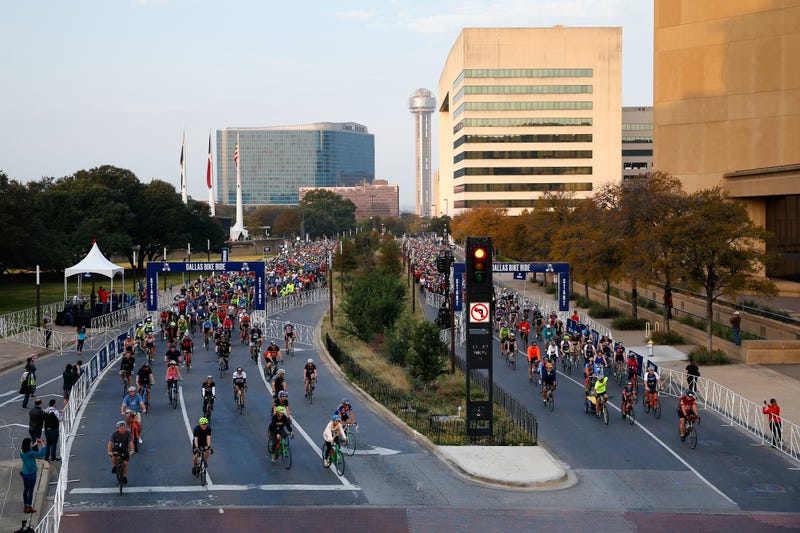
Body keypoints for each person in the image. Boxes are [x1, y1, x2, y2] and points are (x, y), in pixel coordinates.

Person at [19, 437, 46, 513]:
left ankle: (25, 506)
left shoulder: (21, 452)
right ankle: (29, 506)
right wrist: (42, 443)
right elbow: (42, 454)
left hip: (25, 473)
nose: (31, 444)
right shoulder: (31, 453)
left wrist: (34, 445)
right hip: (31, 474)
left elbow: (28, 449)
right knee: (31, 490)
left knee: (26, 489)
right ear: (28, 445)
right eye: (31, 443)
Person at [107, 420, 134, 485]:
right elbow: (110, 443)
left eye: (124, 428)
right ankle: (114, 466)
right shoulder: (114, 433)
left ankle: (124, 477)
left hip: (124, 449)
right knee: (114, 455)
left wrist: (132, 449)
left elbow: (130, 442)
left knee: (125, 463)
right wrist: (109, 451)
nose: (123, 429)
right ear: (118, 428)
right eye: (121, 428)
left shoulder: (128, 433)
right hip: (116, 448)